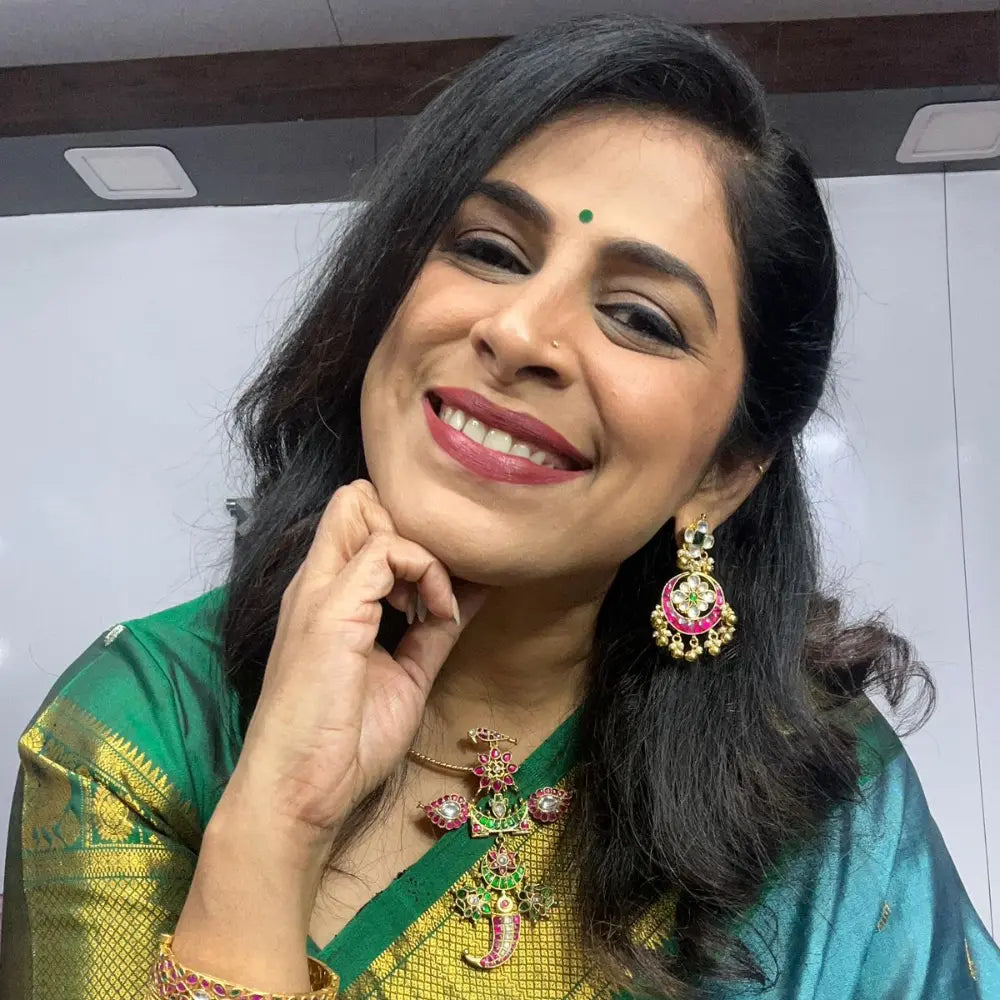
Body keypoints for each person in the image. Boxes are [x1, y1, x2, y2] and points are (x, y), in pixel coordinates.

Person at [1, 12, 997, 1000]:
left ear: (723, 472)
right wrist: (276, 818)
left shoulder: (818, 797)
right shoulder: (146, 730)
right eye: (489, 250)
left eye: (637, 316)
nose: (519, 331)